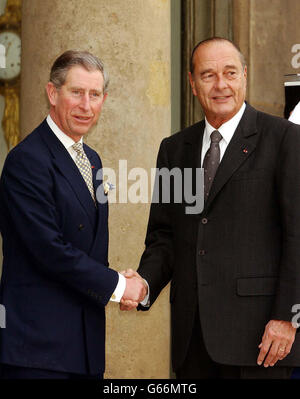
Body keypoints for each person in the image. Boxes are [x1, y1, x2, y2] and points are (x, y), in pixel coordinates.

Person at [121, 37, 300, 379]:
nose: (221, 85)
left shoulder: (285, 139)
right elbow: (165, 238)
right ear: (192, 83)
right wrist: (144, 283)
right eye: (208, 75)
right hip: (193, 344)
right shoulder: (175, 150)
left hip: (261, 343)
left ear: (244, 76)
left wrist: (287, 318)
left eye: (230, 73)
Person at [0, 50, 146, 379]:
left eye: (94, 95)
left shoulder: (91, 159)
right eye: (76, 92)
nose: (86, 105)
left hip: (83, 350)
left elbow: (88, 249)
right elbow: (49, 250)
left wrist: (118, 285)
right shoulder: (27, 161)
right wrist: (119, 286)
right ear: (53, 93)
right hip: (37, 354)